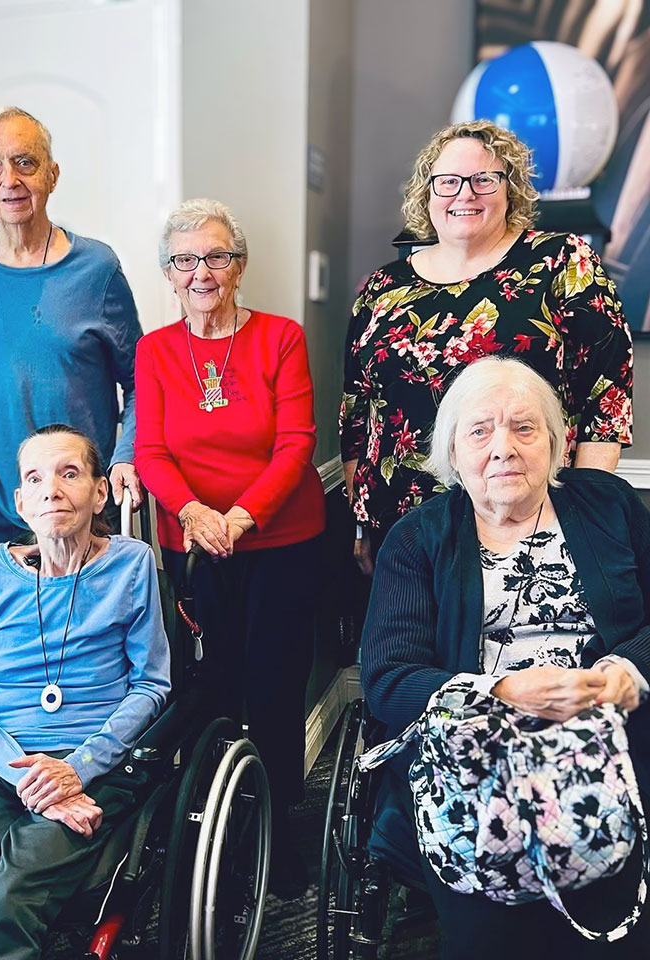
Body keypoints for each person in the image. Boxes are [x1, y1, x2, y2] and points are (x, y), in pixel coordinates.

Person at [361, 357, 650, 959]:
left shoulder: (610, 506)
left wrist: (624, 670)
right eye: (480, 430)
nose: (504, 448)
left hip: (615, 743)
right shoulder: (418, 537)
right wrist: (498, 691)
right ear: (452, 450)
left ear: (554, 441)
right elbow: (389, 679)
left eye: (524, 427)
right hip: (476, 767)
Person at [0, 424, 170, 960]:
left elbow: (151, 685)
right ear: (20, 501)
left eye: (69, 473)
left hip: (95, 767)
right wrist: (32, 775)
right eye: (35, 477)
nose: (51, 489)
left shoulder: (132, 563)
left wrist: (77, 769)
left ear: (100, 492)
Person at [340, 119, 634, 575]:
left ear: (510, 189)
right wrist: (361, 522)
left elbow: (606, 397)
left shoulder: (562, 262)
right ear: (428, 193)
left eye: (484, 179)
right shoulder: (383, 286)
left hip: (525, 521)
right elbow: (357, 410)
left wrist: (583, 515)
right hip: (400, 528)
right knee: (404, 645)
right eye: (448, 181)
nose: (465, 194)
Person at [134, 197, 325, 896]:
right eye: (185, 260)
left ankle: (273, 837)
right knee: (214, 688)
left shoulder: (279, 337)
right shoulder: (155, 350)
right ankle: (215, 828)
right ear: (170, 274)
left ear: (239, 266)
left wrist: (239, 517)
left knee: (273, 691)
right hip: (194, 543)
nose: (201, 272)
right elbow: (151, 451)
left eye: (215, 256)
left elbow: (296, 444)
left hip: (281, 542)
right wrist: (192, 512)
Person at [0, 106, 143, 580]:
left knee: (78, 643)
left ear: (52, 174)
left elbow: (141, 380)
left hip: (74, 497)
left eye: (26, 162)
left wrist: (125, 457)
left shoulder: (96, 268)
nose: (9, 180)